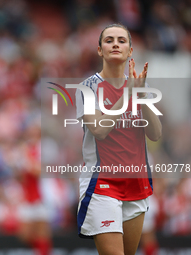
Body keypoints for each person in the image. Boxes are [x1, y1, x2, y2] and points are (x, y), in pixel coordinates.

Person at [75, 23, 162, 255]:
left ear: (130, 51)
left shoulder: (139, 86)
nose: (115, 44)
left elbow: (155, 133)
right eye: (109, 40)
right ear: (99, 50)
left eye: (122, 41)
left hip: (136, 181)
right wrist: (128, 94)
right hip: (102, 184)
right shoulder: (87, 88)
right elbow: (99, 130)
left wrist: (141, 96)